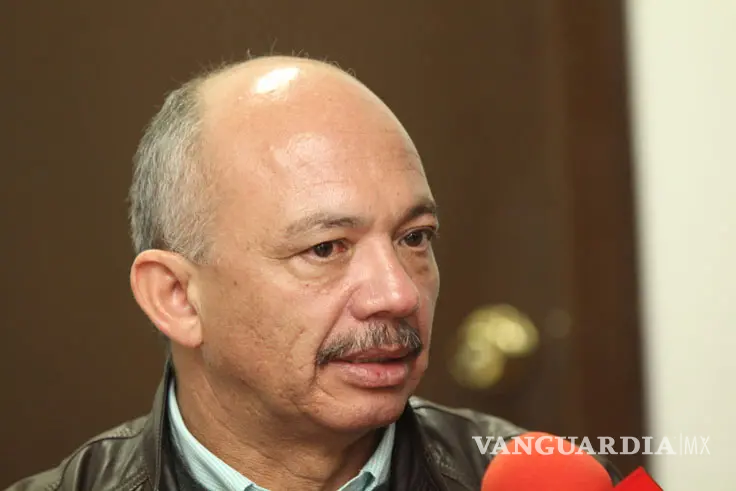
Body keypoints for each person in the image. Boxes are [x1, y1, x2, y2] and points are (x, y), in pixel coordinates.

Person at [7, 56, 621, 491]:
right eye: (326, 248)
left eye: (414, 238)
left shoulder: (546, 481)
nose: (397, 293)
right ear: (177, 298)